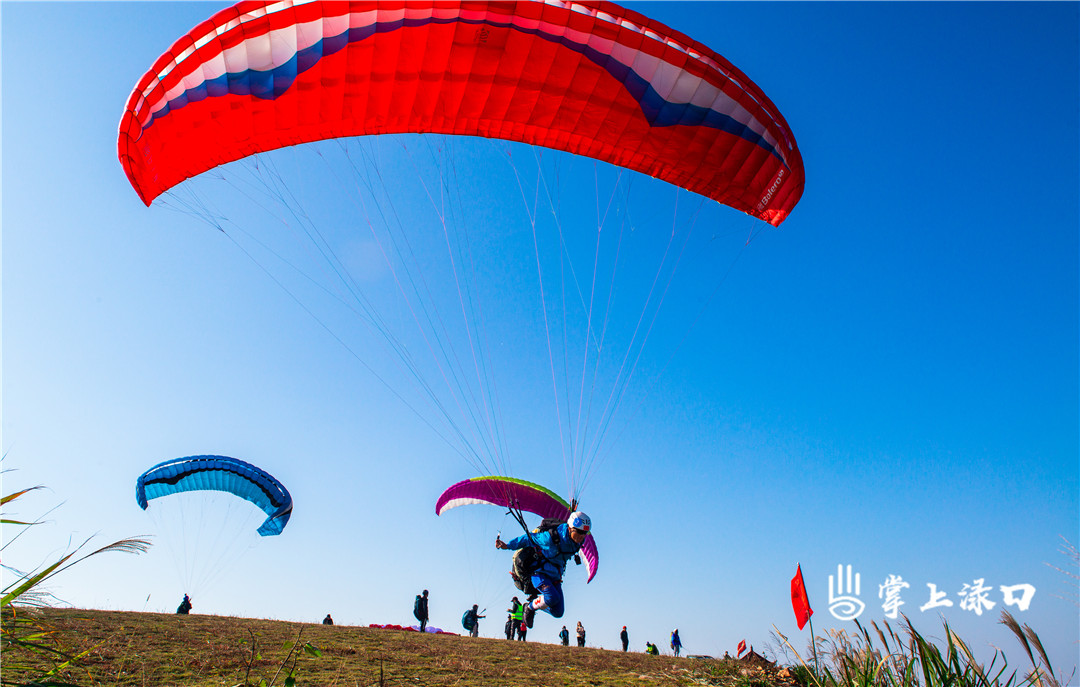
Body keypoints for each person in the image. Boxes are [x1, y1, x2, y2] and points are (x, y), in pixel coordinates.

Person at [495, 511, 591, 621]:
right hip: (539, 572)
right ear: (570, 528)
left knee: (558, 612)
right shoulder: (550, 538)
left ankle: (531, 605)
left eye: (585, 533)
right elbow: (529, 538)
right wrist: (508, 545)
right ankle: (530, 608)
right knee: (552, 597)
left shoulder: (577, 542)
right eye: (579, 532)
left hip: (555, 575)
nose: (582, 536)